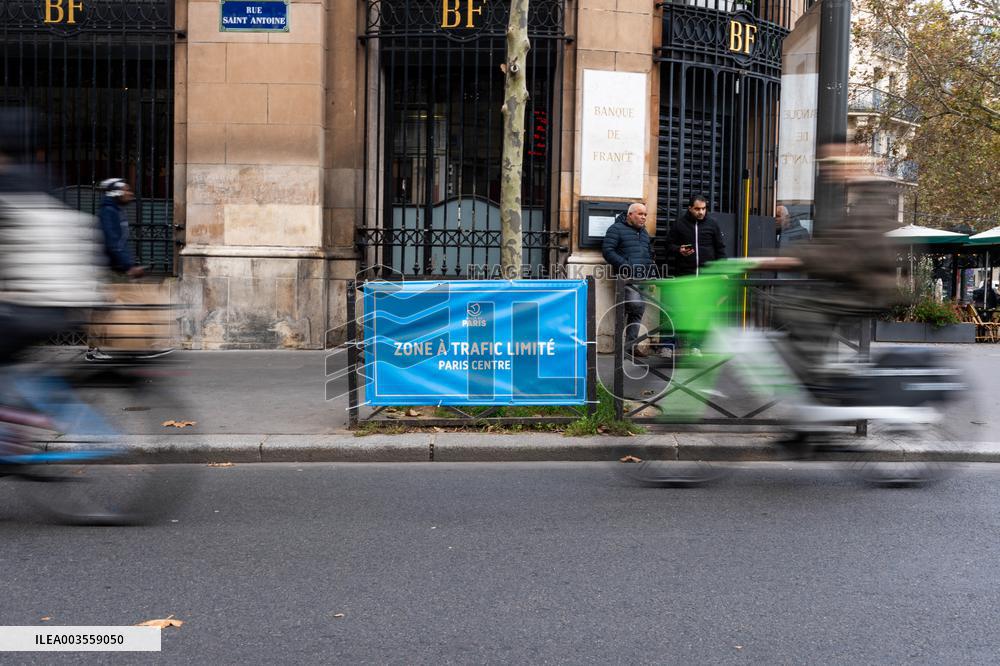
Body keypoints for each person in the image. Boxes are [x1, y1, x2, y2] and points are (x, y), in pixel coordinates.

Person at [602, 202, 657, 357]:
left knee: (637, 311)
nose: (644, 217)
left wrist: (651, 277)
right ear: (630, 214)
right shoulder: (616, 229)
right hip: (626, 278)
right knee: (634, 306)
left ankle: (629, 347)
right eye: (640, 214)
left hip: (643, 279)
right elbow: (607, 251)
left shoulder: (644, 233)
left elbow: (648, 256)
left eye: (645, 214)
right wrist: (625, 266)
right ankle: (623, 348)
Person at [668, 194, 727, 277]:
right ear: (690, 208)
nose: (701, 212)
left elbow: (720, 248)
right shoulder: (679, 224)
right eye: (697, 209)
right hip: (685, 275)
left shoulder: (712, 224)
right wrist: (679, 249)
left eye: (703, 208)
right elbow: (669, 245)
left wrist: (723, 271)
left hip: (708, 275)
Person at [97, 178, 144, 278]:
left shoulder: (115, 210)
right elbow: (113, 241)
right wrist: (128, 266)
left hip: (116, 267)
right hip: (110, 269)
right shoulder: (108, 211)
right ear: (116, 192)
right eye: (126, 190)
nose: (130, 194)